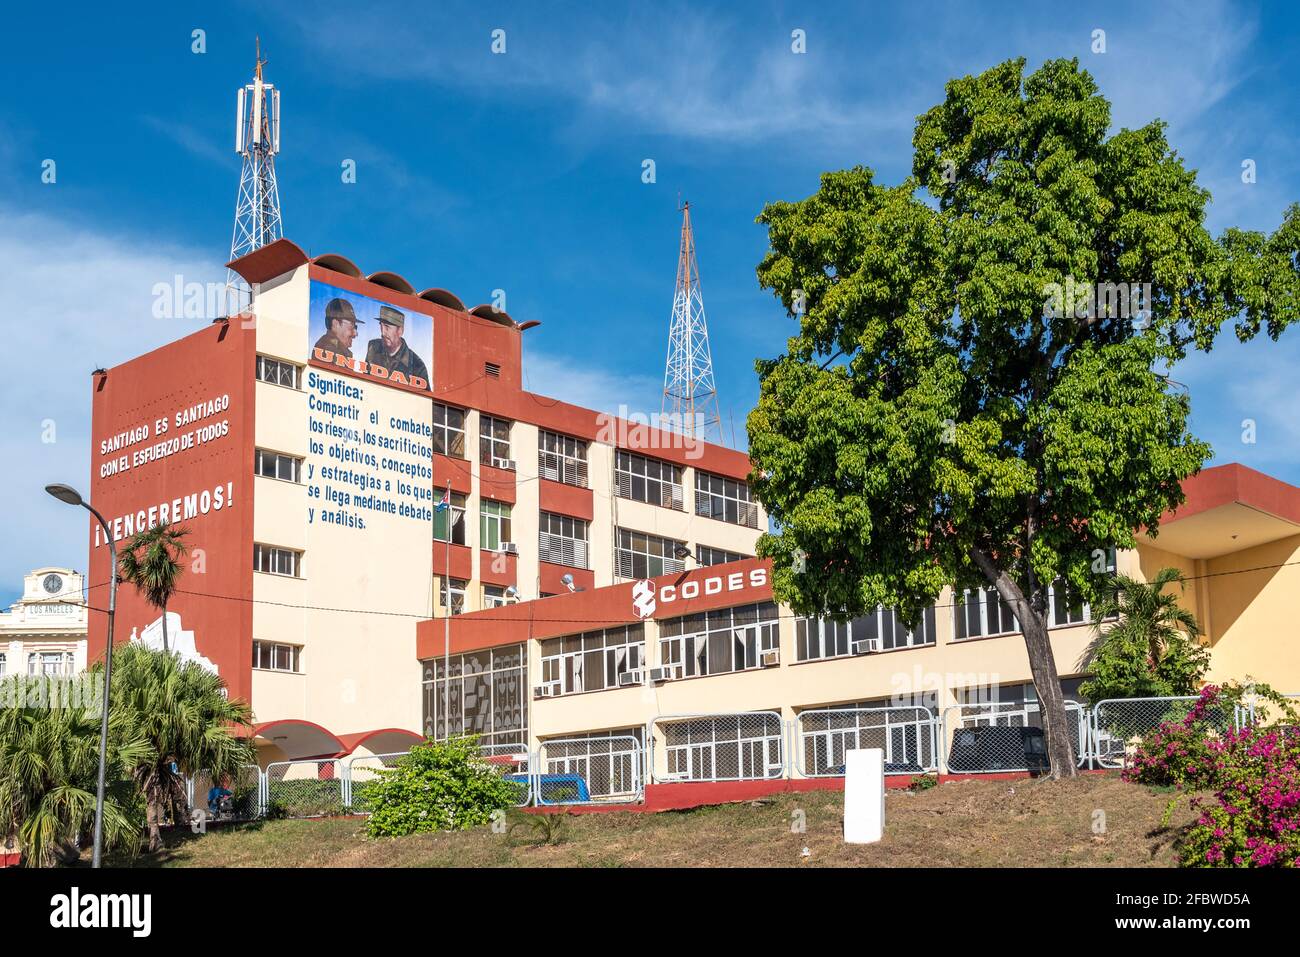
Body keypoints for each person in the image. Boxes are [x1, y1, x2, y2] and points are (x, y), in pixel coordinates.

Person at [364, 305, 430, 388]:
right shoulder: (373, 346)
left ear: (400, 331)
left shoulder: (417, 365)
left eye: (387, 327)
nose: (383, 332)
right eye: (381, 325)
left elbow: (424, 399)